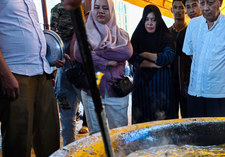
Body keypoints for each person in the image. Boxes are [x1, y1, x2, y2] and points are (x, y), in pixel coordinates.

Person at [0, 0, 61, 157]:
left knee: (49, 132)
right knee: (18, 135)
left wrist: (51, 58)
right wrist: (4, 74)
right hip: (15, 72)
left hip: (41, 71)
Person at [75, 0, 133, 134]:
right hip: (92, 94)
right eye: (97, 7)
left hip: (116, 92)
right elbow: (79, 54)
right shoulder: (85, 33)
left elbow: (126, 52)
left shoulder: (121, 34)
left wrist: (96, 52)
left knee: (119, 136)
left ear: (111, 11)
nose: (101, 11)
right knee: (96, 138)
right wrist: (106, 62)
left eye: (105, 8)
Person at [182, 0, 225, 118]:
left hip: (219, 94)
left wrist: (222, 73)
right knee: (195, 132)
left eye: (210, 3)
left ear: (220, 2)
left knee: (217, 134)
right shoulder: (193, 24)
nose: (205, 8)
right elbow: (191, 53)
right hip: (195, 91)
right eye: (202, 3)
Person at [129, 5, 175, 124]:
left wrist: (146, 54)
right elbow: (132, 57)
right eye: (147, 19)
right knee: (141, 126)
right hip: (141, 89)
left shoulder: (165, 37)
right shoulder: (138, 36)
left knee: (161, 126)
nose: (150, 23)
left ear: (158, 21)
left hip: (161, 88)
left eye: (153, 20)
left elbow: (169, 57)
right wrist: (154, 64)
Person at [51, 0, 86, 144]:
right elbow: (53, 36)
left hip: (81, 67)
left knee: (92, 111)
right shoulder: (56, 9)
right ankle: (69, 151)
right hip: (64, 68)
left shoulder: (83, 8)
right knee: (66, 115)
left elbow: (82, 31)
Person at [175, 0, 202, 118]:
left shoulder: (213, 29)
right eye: (188, 7)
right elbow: (181, 61)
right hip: (190, 83)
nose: (191, 10)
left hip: (210, 84)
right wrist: (181, 85)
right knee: (189, 118)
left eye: (194, 5)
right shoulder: (182, 34)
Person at [169, 0, 187, 119]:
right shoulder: (166, 33)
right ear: (171, 10)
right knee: (171, 116)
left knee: (188, 115)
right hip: (170, 80)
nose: (178, 11)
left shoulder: (190, 31)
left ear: (185, 10)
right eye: (175, 7)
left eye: (181, 7)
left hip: (187, 81)